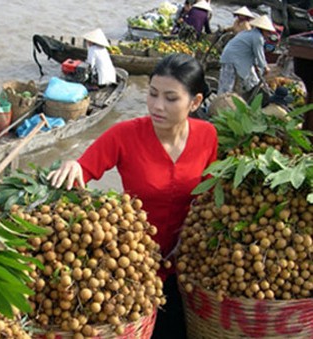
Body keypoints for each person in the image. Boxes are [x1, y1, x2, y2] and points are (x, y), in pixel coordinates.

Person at [47, 53, 218, 338]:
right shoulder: (124, 135)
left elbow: (209, 198)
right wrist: (72, 165)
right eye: (152, 94)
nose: (157, 106)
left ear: (195, 102)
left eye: (171, 98)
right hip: (132, 266)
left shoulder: (207, 135)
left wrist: (188, 238)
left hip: (187, 265)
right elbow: (84, 170)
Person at [218, 15, 277, 95]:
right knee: (226, 86)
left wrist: (258, 66)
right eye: (268, 32)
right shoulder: (257, 37)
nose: (268, 35)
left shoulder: (251, 33)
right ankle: (221, 102)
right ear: (263, 30)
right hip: (231, 59)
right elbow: (259, 54)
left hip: (237, 58)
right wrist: (265, 67)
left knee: (253, 82)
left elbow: (255, 55)